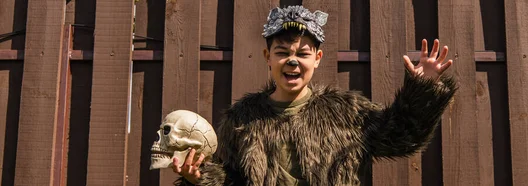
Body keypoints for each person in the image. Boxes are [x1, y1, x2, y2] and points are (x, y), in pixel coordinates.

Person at [172, 5, 456, 186]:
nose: (292, 61)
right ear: (267, 57)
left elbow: (402, 137)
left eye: (303, 54)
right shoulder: (241, 119)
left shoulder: (347, 113)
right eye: (282, 53)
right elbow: (230, 179)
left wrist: (423, 89)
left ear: (317, 58)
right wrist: (199, 178)